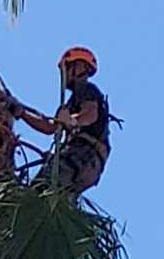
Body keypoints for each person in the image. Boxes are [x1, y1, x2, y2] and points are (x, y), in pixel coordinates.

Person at [10, 46, 110, 196]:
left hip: (83, 156)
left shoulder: (87, 89)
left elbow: (90, 115)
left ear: (81, 67)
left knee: (39, 189)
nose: (64, 74)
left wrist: (72, 121)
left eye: (68, 67)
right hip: (87, 164)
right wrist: (22, 113)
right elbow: (50, 128)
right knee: (52, 198)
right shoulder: (71, 103)